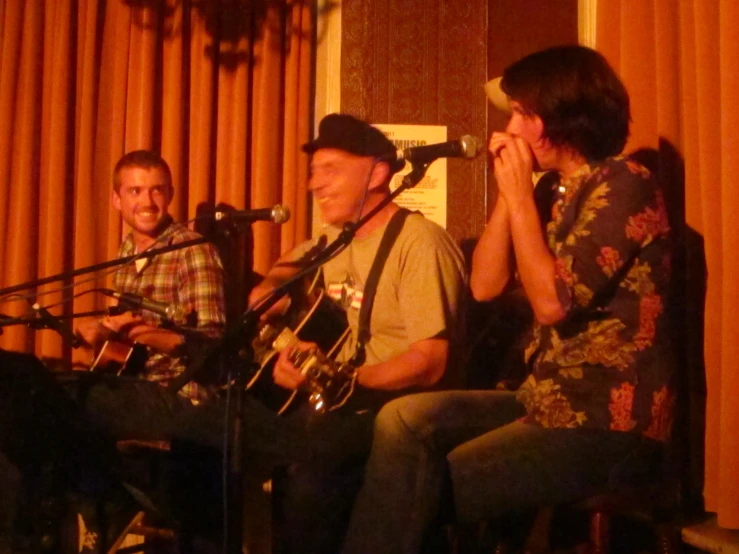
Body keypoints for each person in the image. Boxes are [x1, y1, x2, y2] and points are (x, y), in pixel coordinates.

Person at [340, 45, 674, 554]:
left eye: (522, 113)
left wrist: (520, 197)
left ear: (562, 115)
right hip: (542, 401)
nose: (511, 128)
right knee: (402, 420)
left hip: (605, 421)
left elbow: (552, 304)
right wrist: (510, 194)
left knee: (417, 486)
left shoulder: (627, 183)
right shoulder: (549, 194)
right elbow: (485, 286)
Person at [246, 113, 467, 554]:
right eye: (313, 172)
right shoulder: (333, 239)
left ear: (378, 173)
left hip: (389, 409)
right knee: (228, 437)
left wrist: (348, 381)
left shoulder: (419, 242)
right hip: (336, 402)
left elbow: (431, 361)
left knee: (309, 462)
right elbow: (270, 283)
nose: (314, 185)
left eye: (331, 170)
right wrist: (277, 301)